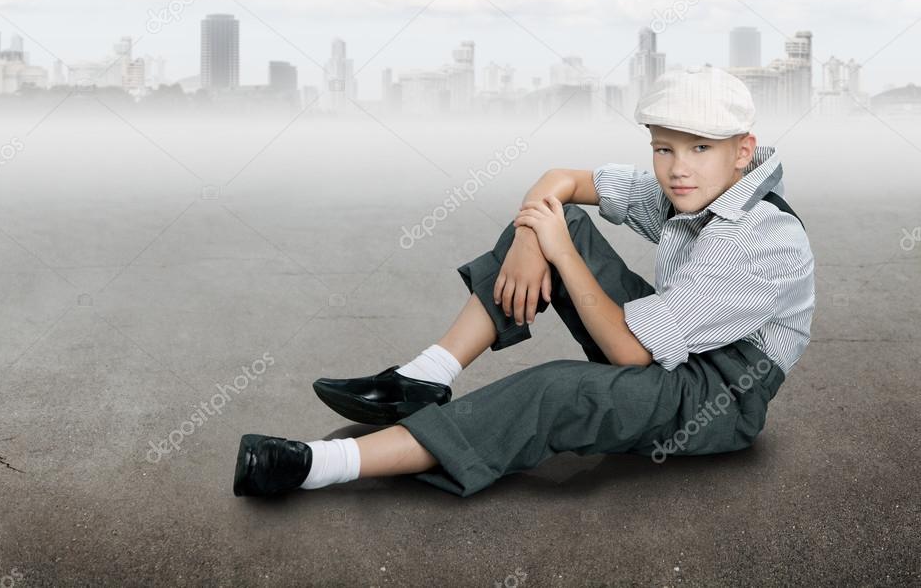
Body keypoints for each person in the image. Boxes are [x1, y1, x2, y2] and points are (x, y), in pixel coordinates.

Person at [232, 65, 816, 498]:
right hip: (669, 345)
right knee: (556, 219)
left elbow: (628, 352)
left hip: (719, 396)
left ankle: (319, 463)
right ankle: (424, 377)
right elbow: (561, 178)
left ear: (743, 152)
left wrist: (556, 250)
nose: (678, 167)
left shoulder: (762, 240)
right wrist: (536, 237)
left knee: (557, 388)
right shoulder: (691, 187)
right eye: (664, 148)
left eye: (700, 148)